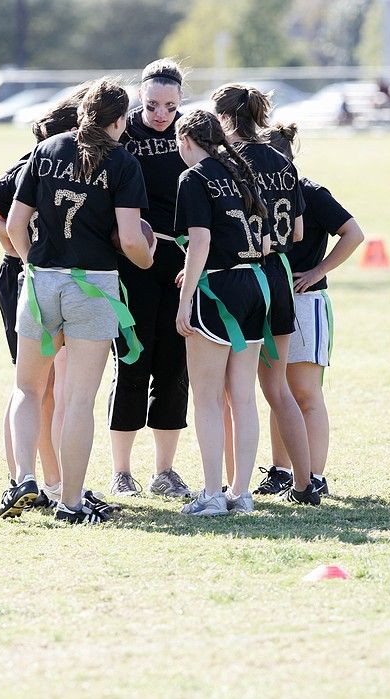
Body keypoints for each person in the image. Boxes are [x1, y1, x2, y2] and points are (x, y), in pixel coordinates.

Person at [6, 77, 155, 524]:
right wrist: (148, 261)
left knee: (27, 389)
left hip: (41, 281)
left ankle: (24, 479)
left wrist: (37, 263)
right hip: (93, 284)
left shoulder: (46, 150)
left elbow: (15, 225)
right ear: (119, 120)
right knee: (78, 400)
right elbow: (130, 239)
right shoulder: (125, 163)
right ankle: (70, 501)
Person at [0, 85, 91, 511]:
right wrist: (27, 249)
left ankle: (45, 481)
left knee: (47, 385)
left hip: (53, 278)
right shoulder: (33, 163)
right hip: (26, 276)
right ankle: (26, 479)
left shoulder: (81, 168)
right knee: (33, 384)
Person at [211, 83, 320, 507]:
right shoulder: (282, 159)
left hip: (239, 277)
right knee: (278, 390)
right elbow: (297, 231)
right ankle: (305, 483)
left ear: (223, 118)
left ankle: (229, 485)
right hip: (278, 275)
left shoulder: (224, 161)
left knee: (228, 391)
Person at [174, 109, 271, 516]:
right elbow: (266, 242)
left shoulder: (193, 178)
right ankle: (241, 493)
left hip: (219, 289)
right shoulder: (243, 173)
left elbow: (200, 241)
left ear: (185, 140)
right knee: (244, 398)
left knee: (209, 398)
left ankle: (213, 494)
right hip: (256, 284)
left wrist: (185, 299)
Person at [266, 123, 364, 495]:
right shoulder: (251, 192)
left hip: (307, 303)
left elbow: (354, 233)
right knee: (277, 392)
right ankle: (280, 471)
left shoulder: (310, 192)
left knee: (304, 392)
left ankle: (315, 477)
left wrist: (317, 271)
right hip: (269, 300)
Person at [108, 59, 191, 498]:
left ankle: (166, 471)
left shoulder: (190, 137)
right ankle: (121, 472)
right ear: (140, 97)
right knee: (132, 362)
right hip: (133, 264)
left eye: (170, 105)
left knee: (174, 367)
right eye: (154, 104)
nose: (161, 114)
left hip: (182, 266)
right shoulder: (124, 137)